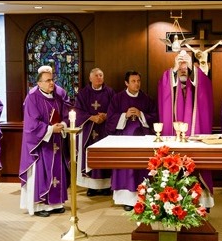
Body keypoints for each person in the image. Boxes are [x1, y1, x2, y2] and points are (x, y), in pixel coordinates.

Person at [157, 49, 214, 210]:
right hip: (173, 135)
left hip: (195, 134)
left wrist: (192, 67)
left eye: (185, 67)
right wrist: (173, 69)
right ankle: (173, 200)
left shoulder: (197, 84)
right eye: (179, 67)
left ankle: (202, 201)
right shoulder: (168, 81)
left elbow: (205, 87)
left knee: (197, 167)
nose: (183, 70)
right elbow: (163, 88)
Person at [19, 66, 70, 217]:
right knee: (42, 172)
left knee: (56, 173)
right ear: (39, 83)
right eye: (48, 80)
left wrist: (63, 125)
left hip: (56, 141)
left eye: (52, 79)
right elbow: (31, 124)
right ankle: (40, 205)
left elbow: (66, 114)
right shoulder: (32, 97)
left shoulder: (58, 96)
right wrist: (49, 129)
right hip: (40, 144)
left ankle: (55, 203)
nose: (51, 83)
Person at [105, 70, 158, 211]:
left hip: (142, 140)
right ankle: (127, 200)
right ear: (126, 83)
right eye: (133, 81)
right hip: (124, 140)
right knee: (126, 169)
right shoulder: (117, 98)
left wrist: (142, 115)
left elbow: (155, 117)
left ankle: (143, 197)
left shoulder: (146, 99)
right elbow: (110, 119)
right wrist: (124, 115)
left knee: (141, 169)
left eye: (138, 81)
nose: (137, 84)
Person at [74, 68, 115, 197]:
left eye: (101, 75)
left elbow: (115, 108)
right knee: (89, 155)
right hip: (88, 130)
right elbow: (77, 110)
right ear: (90, 78)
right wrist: (92, 117)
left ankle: (105, 186)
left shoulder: (110, 92)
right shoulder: (83, 93)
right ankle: (91, 186)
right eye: (96, 76)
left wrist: (106, 115)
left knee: (105, 155)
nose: (99, 78)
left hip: (105, 130)